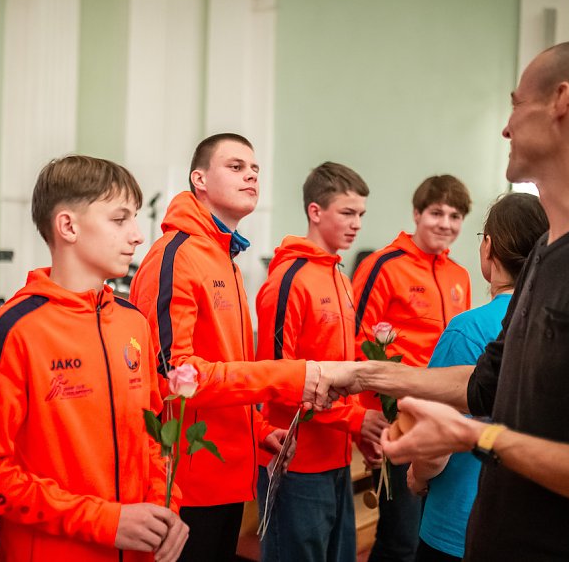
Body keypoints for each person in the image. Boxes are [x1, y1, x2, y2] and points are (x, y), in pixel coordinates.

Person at [318, 39, 569, 561]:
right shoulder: (547, 250)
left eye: (516, 104)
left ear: (561, 101)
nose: (506, 126)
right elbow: (487, 382)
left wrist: (481, 439)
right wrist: (363, 376)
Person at [0, 156, 189, 561]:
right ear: (68, 226)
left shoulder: (134, 323)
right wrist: (105, 521)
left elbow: (152, 439)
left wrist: (166, 507)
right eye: (120, 219)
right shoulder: (11, 331)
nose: (136, 236)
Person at [129, 134, 355, 561]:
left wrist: (258, 431)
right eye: (235, 166)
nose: (251, 174)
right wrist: (289, 376)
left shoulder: (226, 261)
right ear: (199, 178)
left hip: (229, 474)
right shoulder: (177, 255)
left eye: (254, 169)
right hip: (186, 482)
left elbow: (226, 366)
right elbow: (173, 375)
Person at [254, 162, 387, 561]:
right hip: (296, 461)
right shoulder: (288, 280)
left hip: (336, 458)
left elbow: (342, 368)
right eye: (347, 212)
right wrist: (355, 419)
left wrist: (359, 427)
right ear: (315, 211)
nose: (357, 224)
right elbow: (277, 378)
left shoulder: (341, 279)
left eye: (361, 214)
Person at [408, 192, 547, 562]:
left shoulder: (468, 330)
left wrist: (417, 478)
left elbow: (435, 441)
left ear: (489, 247)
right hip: (532, 522)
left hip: (460, 524)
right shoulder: (559, 327)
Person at [351, 174, 472, 562]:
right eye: (437, 212)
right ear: (417, 214)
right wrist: (364, 416)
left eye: (455, 216)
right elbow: (355, 342)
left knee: (429, 537)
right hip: (395, 420)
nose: (446, 223)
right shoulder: (383, 266)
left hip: (444, 420)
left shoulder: (459, 276)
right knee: (399, 539)